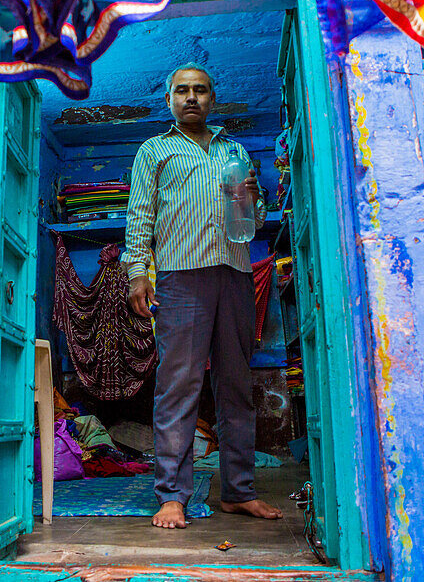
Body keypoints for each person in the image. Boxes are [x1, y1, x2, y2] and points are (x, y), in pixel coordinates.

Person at [124, 62, 283, 529]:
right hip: (179, 276)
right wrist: (137, 271)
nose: (191, 97)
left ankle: (238, 491)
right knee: (178, 387)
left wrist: (253, 199)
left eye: (200, 90)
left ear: (213, 98)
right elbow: (140, 216)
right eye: (182, 91)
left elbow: (251, 222)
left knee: (236, 386)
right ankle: (173, 495)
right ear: (169, 99)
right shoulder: (155, 151)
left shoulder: (234, 150)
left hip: (234, 273)